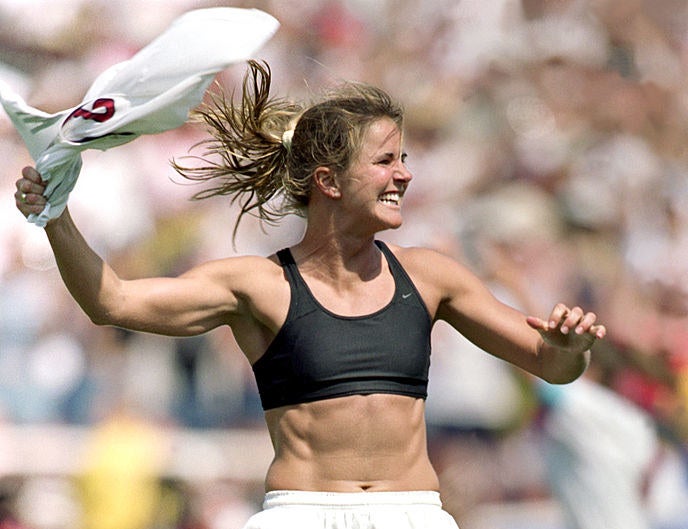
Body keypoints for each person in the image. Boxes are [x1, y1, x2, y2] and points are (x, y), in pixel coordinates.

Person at [13, 60, 606, 529]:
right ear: (328, 181)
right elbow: (111, 302)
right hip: (300, 514)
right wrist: (56, 215)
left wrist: (569, 346)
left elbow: (550, 367)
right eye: (384, 161)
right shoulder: (256, 286)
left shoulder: (433, 277)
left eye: (404, 159)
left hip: (415, 515)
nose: (403, 175)